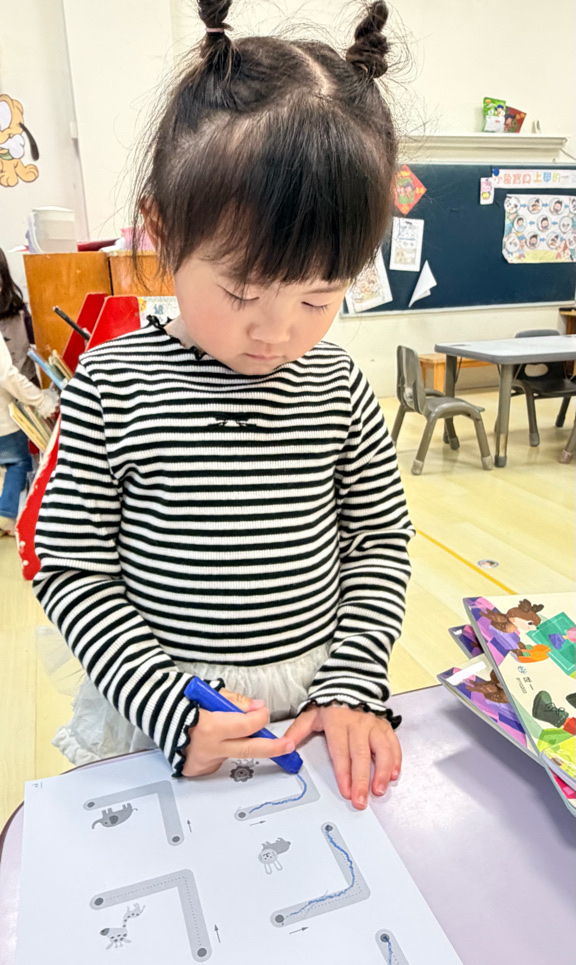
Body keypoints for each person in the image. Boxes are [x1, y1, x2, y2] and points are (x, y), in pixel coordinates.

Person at [33, 0, 414, 811]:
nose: (276, 332)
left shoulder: (338, 386)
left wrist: (353, 681)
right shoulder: (113, 383)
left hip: (311, 704)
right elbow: (71, 569)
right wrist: (170, 707)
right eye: (241, 291)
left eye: (319, 298)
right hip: (165, 712)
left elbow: (380, 541)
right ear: (162, 231)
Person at [0, 250, 58, 535]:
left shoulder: (20, 315)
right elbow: (7, 375)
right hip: (7, 411)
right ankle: (6, 517)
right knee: (18, 462)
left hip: (13, 404)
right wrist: (41, 400)